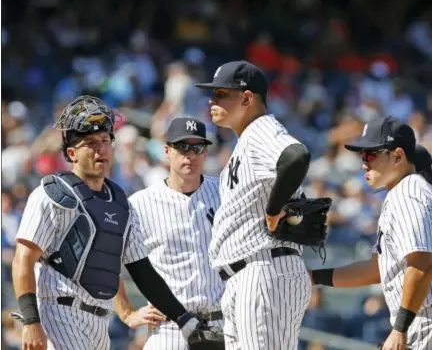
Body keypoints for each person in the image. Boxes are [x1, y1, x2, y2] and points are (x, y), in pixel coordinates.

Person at [11, 96, 205, 350]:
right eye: (90, 143)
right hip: (57, 314)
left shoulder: (120, 201)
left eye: (105, 141)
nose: (100, 149)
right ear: (72, 154)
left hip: (100, 323)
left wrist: (182, 317)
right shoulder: (52, 194)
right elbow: (22, 259)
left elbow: (140, 270)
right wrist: (30, 321)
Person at [195, 61, 312, 350]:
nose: (212, 100)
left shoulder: (260, 130)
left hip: (262, 269)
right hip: (247, 274)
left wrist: (273, 210)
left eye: (221, 94)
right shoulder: (246, 140)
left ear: (246, 98)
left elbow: (296, 155)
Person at [311, 116, 432, 350]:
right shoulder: (401, 194)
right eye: (362, 155)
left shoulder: (409, 192)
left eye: (372, 154)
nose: (364, 163)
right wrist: (314, 277)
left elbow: (421, 264)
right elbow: (375, 270)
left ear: (398, 156)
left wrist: (399, 329)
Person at [114, 117, 225, 349]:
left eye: (198, 147)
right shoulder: (139, 204)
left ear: (206, 152)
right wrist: (126, 312)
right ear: (167, 151)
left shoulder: (225, 192)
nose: (190, 154)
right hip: (169, 328)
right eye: (182, 146)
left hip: (222, 324)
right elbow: (107, 260)